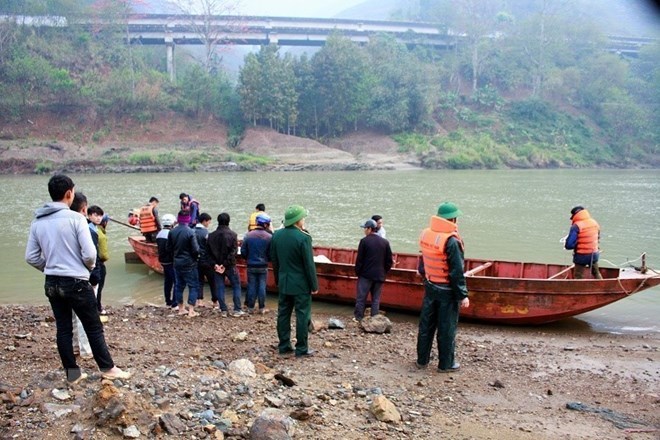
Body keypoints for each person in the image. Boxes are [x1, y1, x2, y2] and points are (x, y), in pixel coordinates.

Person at [25, 174, 130, 383]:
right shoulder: (76, 219)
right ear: (69, 193)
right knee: (93, 326)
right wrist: (87, 268)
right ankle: (108, 368)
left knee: (64, 328)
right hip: (76, 281)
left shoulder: (38, 221)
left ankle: (72, 374)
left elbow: (31, 257)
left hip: (52, 282)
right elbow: (90, 255)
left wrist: (49, 267)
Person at [416, 202, 469, 373]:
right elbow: (456, 272)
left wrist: (425, 276)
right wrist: (462, 295)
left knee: (426, 326)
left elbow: (422, 261)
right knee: (446, 329)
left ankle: (422, 360)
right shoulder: (452, 241)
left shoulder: (427, 234)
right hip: (447, 292)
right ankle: (446, 364)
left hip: (430, 287)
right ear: (453, 219)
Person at [270, 205, 318, 357]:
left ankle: (284, 345)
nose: (304, 220)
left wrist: (278, 280)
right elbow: (309, 265)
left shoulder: (276, 236)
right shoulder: (304, 238)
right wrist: (314, 285)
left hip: (284, 282)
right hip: (301, 284)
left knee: (283, 314)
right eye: (303, 218)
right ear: (298, 221)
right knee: (302, 315)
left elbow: (275, 262)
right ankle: (301, 348)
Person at [353, 219, 393, 321]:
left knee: (361, 298)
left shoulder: (364, 241)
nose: (364, 231)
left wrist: (358, 273)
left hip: (366, 275)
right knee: (376, 299)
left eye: (365, 228)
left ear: (369, 229)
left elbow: (359, 260)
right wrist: (384, 272)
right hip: (379, 275)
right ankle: (375, 319)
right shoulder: (385, 242)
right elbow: (389, 261)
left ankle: (358, 318)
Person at [207, 213, 244, 317]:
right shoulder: (233, 235)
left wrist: (216, 265)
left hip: (216, 266)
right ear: (228, 221)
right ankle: (237, 309)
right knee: (236, 286)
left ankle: (223, 309)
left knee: (219, 287)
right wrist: (225, 264)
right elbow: (233, 252)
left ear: (218, 221)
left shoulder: (211, 236)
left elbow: (208, 253)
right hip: (229, 265)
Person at [168, 212, 201, 317]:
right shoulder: (190, 232)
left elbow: (168, 248)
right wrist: (195, 258)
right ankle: (191, 310)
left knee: (179, 286)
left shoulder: (172, 232)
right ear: (188, 219)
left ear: (178, 219)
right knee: (193, 286)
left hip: (177, 263)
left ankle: (181, 308)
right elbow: (195, 250)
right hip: (189, 263)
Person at [241, 213, 273, 314]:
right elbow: (271, 253)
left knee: (251, 285)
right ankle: (261, 308)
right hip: (263, 265)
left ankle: (250, 307)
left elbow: (243, 252)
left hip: (251, 264)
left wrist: (248, 259)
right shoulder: (269, 237)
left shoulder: (248, 235)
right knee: (262, 286)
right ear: (266, 225)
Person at [564, 206, 603, 279]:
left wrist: (568, 243)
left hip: (581, 256)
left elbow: (569, 245)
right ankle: (601, 286)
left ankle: (577, 289)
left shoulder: (576, 226)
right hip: (594, 254)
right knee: (596, 272)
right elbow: (598, 238)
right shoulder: (594, 222)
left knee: (578, 275)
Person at [88, 206, 108, 315]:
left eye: (100, 215)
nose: (98, 218)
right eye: (96, 215)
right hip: (96, 262)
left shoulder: (96, 229)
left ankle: (96, 306)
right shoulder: (92, 231)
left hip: (97, 262)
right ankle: (97, 308)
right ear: (89, 215)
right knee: (97, 286)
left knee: (97, 287)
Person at [194, 213, 217, 308]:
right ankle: (215, 301)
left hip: (196, 260)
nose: (209, 224)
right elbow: (211, 247)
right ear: (204, 221)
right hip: (207, 260)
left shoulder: (192, 231)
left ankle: (199, 300)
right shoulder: (206, 233)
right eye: (208, 222)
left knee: (199, 280)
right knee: (212, 281)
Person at [156, 214, 178, 308]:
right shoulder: (171, 234)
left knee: (168, 281)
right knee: (176, 282)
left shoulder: (159, 234)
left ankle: (168, 301)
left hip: (163, 261)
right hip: (170, 261)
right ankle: (175, 303)